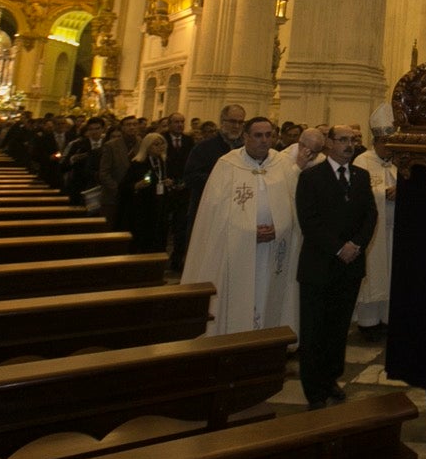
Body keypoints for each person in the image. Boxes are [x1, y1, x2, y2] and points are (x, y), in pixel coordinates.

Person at [181, 117, 300, 337]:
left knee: (269, 293)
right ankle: (233, 337)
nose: (264, 141)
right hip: (237, 249)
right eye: (258, 135)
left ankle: (269, 337)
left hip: (275, 247)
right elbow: (215, 214)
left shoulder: (282, 165)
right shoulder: (227, 165)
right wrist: (249, 232)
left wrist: (280, 227)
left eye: (268, 135)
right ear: (245, 137)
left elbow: (294, 205)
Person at [295, 124, 378, 409]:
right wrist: (338, 247)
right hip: (319, 266)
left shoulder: (360, 175)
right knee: (314, 330)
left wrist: (357, 244)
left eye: (353, 140)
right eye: (342, 140)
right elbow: (310, 221)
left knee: (338, 329)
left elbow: (370, 215)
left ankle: (331, 378)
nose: (349, 144)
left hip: (350, 266)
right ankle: (314, 389)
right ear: (329, 143)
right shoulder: (311, 177)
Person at [176, 103, 245, 271]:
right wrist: (223, 180)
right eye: (232, 121)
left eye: (241, 122)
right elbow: (191, 177)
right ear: (222, 121)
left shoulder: (246, 149)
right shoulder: (204, 147)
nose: (236, 126)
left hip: (238, 213)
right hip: (207, 210)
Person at [353, 105, 397, 341]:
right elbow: (360, 196)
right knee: (373, 274)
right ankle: (368, 321)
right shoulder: (362, 161)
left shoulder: (397, 162)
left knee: (391, 275)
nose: (389, 148)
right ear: (377, 141)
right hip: (373, 233)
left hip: (393, 231)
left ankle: (389, 317)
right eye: (386, 143)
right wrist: (383, 193)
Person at [125, 132, 172, 253]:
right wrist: (137, 185)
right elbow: (124, 186)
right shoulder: (138, 163)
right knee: (144, 240)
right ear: (147, 146)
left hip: (161, 205)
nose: (160, 147)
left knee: (159, 237)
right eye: (156, 144)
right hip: (143, 207)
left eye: (162, 144)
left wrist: (168, 183)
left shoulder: (164, 161)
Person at [97, 115, 141, 229]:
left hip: (135, 195)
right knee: (110, 229)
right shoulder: (111, 145)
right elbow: (104, 173)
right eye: (128, 125)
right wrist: (119, 189)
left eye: (135, 124)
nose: (132, 127)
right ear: (122, 128)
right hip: (113, 195)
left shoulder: (142, 144)